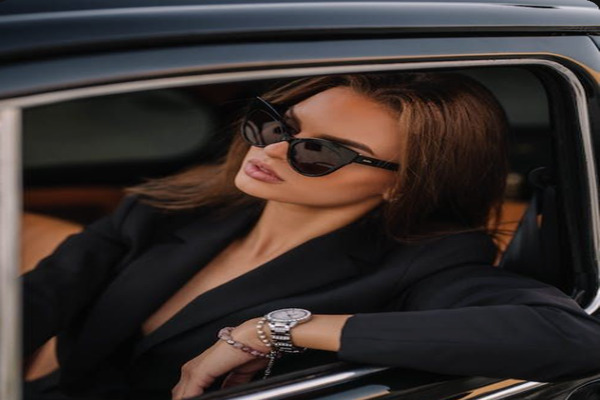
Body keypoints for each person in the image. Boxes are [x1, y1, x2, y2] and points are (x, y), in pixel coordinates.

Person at [21, 72, 600, 400]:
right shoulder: (165, 210)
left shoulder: (425, 265)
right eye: (277, 123)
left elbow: (571, 338)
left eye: (320, 151)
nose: (272, 149)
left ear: (404, 183)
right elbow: (35, 300)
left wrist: (278, 329)